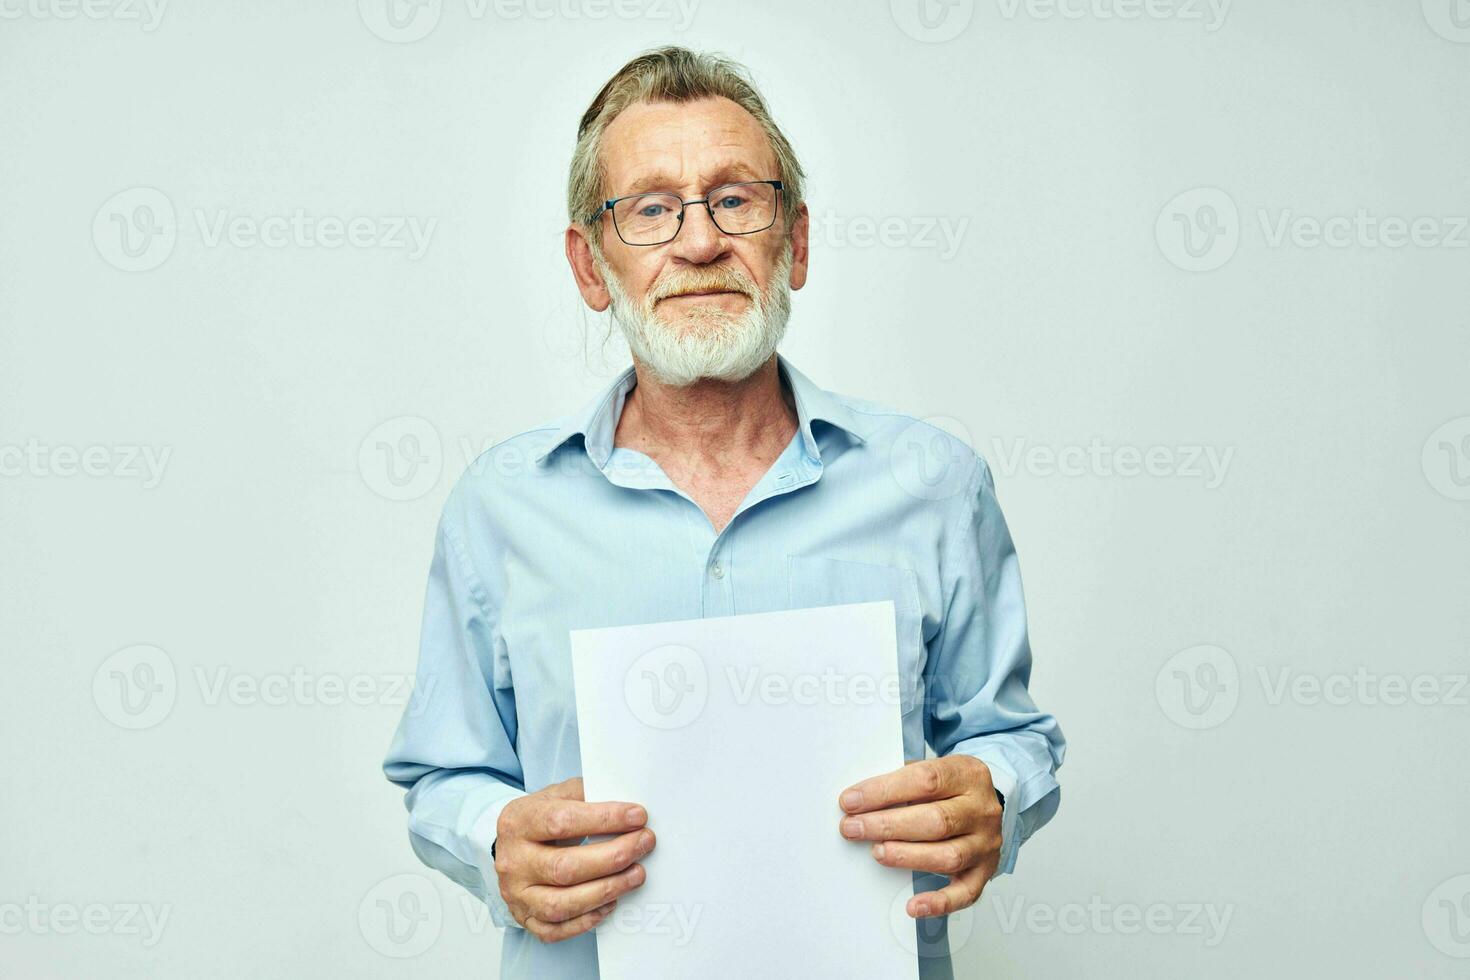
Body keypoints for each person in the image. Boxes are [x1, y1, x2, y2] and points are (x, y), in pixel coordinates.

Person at [382, 45, 1065, 980]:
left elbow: (1012, 737)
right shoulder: (499, 507)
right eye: (651, 209)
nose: (700, 243)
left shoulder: (934, 484)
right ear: (591, 265)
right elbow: (439, 775)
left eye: (737, 199)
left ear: (799, 241)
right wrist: (496, 838)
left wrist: (995, 791)